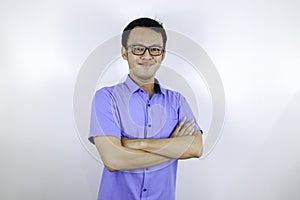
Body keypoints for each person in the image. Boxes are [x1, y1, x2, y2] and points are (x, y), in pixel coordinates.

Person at [88, 17, 203, 200]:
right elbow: (113, 160)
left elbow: (196, 148)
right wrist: (172, 147)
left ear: (163, 55)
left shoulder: (178, 101)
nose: (147, 56)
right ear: (124, 53)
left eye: (155, 49)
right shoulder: (106, 98)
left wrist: (138, 144)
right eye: (138, 49)